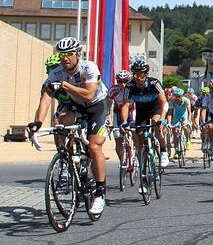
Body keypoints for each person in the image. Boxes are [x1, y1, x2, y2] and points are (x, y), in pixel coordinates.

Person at [28, 37, 109, 215]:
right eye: (62, 55)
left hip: (97, 106)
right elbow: (46, 97)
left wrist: (65, 85)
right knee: (60, 122)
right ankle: (67, 157)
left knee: (95, 146)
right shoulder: (56, 73)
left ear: (78, 54)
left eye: (69, 54)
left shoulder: (89, 67)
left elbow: (89, 94)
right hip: (77, 106)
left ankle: (100, 193)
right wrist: (37, 123)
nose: (65, 58)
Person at [120, 56, 170, 173]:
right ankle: (143, 167)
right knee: (140, 137)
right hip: (141, 111)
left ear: (146, 75)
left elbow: (164, 103)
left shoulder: (154, 83)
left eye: (141, 75)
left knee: (156, 124)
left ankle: (163, 151)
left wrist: (162, 119)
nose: (138, 78)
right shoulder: (130, 86)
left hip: (155, 109)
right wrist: (124, 122)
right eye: (136, 75)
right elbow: (125, 105)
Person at [109, 69, 133, 168]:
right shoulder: (113, 91)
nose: (122, 84)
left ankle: (134, 156)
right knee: (118, 139)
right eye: (119, 81)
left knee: (135, 133)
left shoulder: (133, 90)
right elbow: (108, 108)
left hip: (132, 112)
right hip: (117, 113)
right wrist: (109, 121)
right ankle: (122, 161)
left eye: (125, 81)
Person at [165, 86, 191, 156]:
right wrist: (169, 123)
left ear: (182, 96)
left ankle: (188, 139)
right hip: (176, 117)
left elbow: (189, 112)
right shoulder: (172, 102)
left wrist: (189, 121)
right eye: (176, 96)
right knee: (175, 132)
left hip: (184, 117)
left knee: (185, 127)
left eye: (179, 96)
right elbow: (170, 113)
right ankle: (176, 150)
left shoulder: (186, 101)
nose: (178, 98)